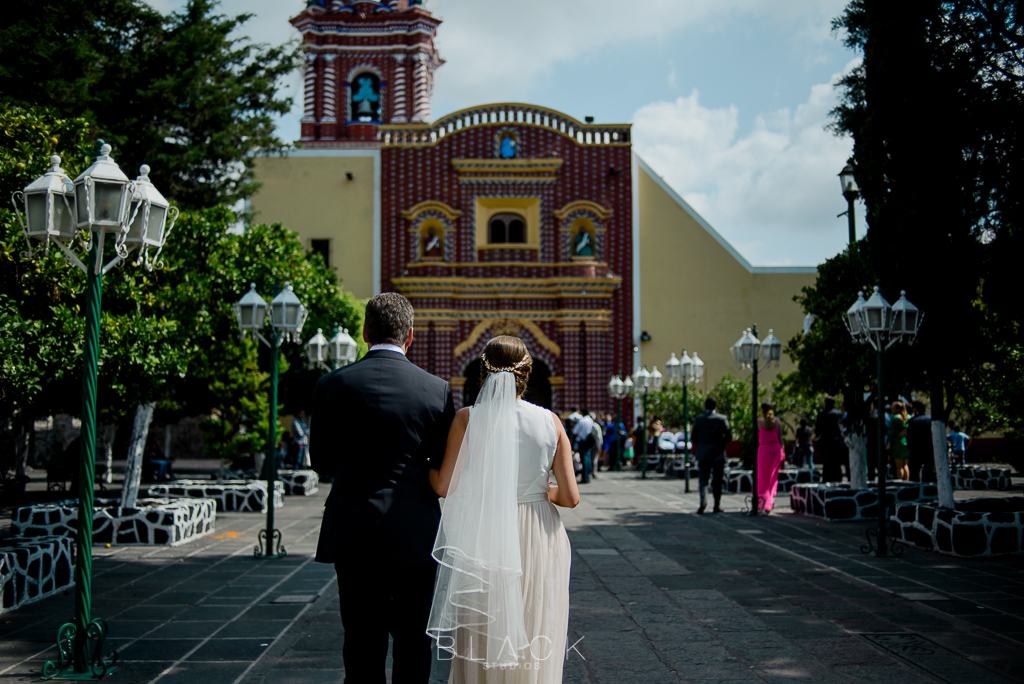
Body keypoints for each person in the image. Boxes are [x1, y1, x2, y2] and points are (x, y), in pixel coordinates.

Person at [310, 292, 456, 684]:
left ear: (364, 332)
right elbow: (443, 465)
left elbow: (320, 463)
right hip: (415, 531)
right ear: (410, 336)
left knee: (361, 641)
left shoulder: (331, 384)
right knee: (412, 641)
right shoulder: (436, 390)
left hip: (354, 529)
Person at [427, 335, 580, 682]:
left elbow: (443, 486)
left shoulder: (468, 419)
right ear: (527, 373)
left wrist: (423, 464)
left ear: (484, 373)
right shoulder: (551, 422)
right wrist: (543, 491)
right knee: (535, 619)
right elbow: (570, 497)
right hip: (539, 532)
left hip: (487, 530)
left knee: (484, 624)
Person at [691, 397, 732, 515]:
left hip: (703, 454)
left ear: (705, 407)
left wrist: (702, 444)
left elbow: (694, 436)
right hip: (718, 454)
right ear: (716, 407)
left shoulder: (699, 419)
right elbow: (729, 436)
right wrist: (720, 443)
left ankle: (703, 502)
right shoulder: (722, 419)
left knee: (703, 480)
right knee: (717, 480)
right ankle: (716, 505)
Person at [757, 403, 786, 513]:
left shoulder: (759, 422)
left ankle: (763, 502)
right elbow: (781, 438)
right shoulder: (777, 422)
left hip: (764, 450)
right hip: (775, 449)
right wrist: (783, 452)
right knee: (773, 478)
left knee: (763, 478)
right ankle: (770, 500)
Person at [815, 396, 844, 483]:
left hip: (825, 442)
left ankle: (826, 478)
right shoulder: (839, 414)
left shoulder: (821, 414)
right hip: (836, 442)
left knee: (826, 463)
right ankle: (837, 479)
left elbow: (817, 430)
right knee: (836, 463)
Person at [907, 400, 935, 483]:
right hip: (929, 448)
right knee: (928, 469)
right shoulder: (930, 419)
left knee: (914, 471)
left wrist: (910, 447)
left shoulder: (913, 420)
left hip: (916, 449)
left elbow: (910, 437)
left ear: (915, 409)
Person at [888, 400, 911, 481]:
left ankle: (900, 480)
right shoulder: (908, 417)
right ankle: (907, 480)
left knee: (899, 465)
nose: (891, 410)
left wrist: (888, 441)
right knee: (905, 464)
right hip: (906, 440)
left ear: (897, 409)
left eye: (893, 408)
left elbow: (892, 432)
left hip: (898, 441)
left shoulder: (895, 418)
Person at [573, 409, 596, 483]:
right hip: (589, 440)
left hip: (582, 440)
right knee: (588, 458)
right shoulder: (590, 420)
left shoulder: (582, 421)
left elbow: (575, 431)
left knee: (584, 459)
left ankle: (584, 477)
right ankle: (588, 475)